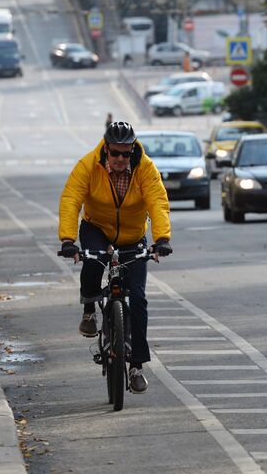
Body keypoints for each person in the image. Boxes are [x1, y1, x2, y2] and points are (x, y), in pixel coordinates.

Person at [58, 121, 172, 394]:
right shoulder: (88, 165)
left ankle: (136, 367)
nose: (120, 159)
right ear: (106, 150)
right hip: (96, 227)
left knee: (139, 298)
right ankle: (89, 310)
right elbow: (71, 197)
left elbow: (158, 200)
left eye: (125, 153)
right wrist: (67, 240)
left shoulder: (145, 167)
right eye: (115, 153)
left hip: (133, 235)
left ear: (132, 150)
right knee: (92, 264)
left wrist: (162, 239)